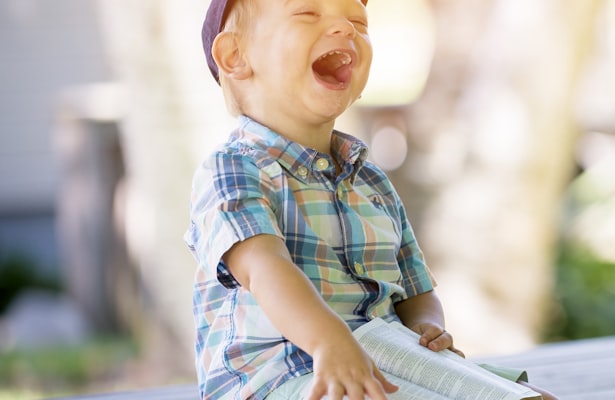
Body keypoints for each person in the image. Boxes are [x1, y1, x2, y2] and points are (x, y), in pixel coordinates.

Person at [185, 1, 557, 399]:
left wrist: (426, 325)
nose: (344, 29)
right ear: (235, 56)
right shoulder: (233, 170)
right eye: (309, 14)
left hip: (387, 360)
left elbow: (415, 287)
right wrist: (329, 341)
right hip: (283, 376)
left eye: (357, 21)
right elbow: (265, 269)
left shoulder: (371, 180)